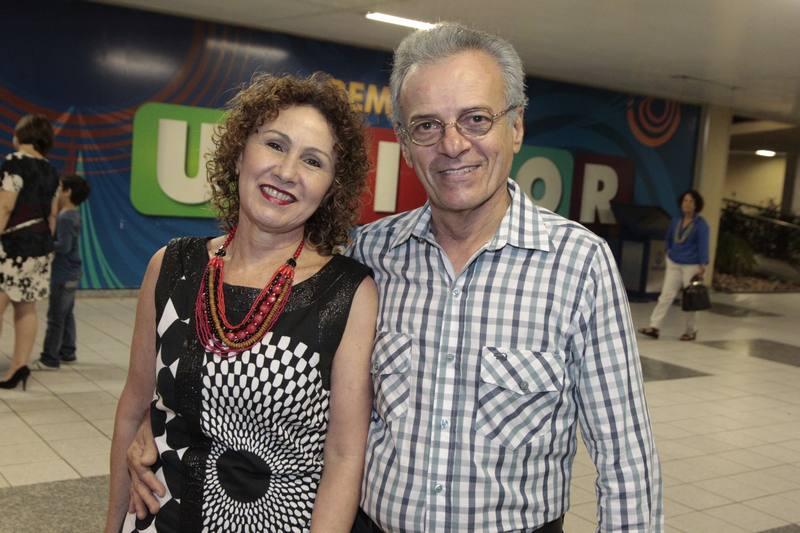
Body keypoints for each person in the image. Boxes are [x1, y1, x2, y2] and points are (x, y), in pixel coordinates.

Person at [128, 23, 663, 532]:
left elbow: (626, 463)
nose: (452, 144)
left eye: (476, 119)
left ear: (516, 127)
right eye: (427, 126)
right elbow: (279, 391)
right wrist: (164, 427)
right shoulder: (370, 257)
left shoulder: (579, 265)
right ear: (405, 145)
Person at [104, 72, 377, 533]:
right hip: (161, 518)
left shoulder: (347, 292)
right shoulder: (171, 266)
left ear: (331, 188)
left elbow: (344, 456)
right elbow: (134, 408)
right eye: (274, 145)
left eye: (313, 161)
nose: (286, 172)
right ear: (238, 154)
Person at [0, 114, 60, 391]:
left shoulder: (14, 163)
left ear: (20, 135)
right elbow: (52, 215)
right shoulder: (51, 171)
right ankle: (19, 366)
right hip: (40, 246)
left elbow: (5, 206)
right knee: (26, 308)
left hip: (11, 246)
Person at [35, 174, 91, 369]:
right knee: (66, 313)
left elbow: (64, 246)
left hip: (63, 273)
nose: (56, 192)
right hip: (72, 272)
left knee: (56, 317)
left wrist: (44, 243)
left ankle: (49, 358)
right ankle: (68, 351)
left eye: (59, 188)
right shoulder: (73, 214)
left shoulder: (65, 216)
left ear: (67, 192)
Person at [639, 189, 709, 341]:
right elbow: (669, 238)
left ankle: (691, 331)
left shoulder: (701, 224)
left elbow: (703, 244)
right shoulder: (676, 220)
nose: (687, 204)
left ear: (696, 205)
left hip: (692, 265)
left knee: (690, 299)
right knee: (666, 295)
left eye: (691, 201)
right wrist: (668, 252)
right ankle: (654, 327)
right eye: (685, 200)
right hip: (674, 262)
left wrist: (703, 264)